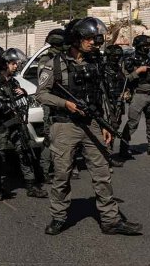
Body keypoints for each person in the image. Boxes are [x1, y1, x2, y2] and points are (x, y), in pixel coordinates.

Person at [36, 17, 142, 236]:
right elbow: (42, 94)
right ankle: (58, 217)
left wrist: (104, 123)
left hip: (92, 123)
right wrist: (65, 103)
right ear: (76, 39)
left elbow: (101, 94)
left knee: (102, 172)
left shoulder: (95, 62)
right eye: (89, 38)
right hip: (65, 125)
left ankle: (110, 220)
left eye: (95, 38)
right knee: (62, 174)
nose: (94, 42)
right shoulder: (54, 64)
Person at [0, 54, 48, 200]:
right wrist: (1, 106)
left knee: (25, 151)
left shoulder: (12, 82)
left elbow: (20, 99)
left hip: (15, 122)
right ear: (4, 65)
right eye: (12, 64)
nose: (16, 66)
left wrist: (24, 93)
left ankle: (31, 185)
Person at [38, 28, 68, 181]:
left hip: (62, 104)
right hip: (50, 105)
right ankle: (44, 171)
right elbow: (44, 86)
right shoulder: (47, 60)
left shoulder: (63, 58)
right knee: (49, 138)